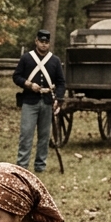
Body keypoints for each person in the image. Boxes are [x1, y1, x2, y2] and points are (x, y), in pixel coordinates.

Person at [13, 28, 66, 173]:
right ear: (36, 41)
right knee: (26, 135)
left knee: (44, 136)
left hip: (47, 101)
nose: (43, 44)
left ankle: (40, 166)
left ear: (49, 43)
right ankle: (22, 166)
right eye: (41, 41)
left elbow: (61, 82)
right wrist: (29, 85)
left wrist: (58, 99)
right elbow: (16, 77)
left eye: (46, 42)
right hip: (29, 101)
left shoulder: (54, 60)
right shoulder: (26, 58)